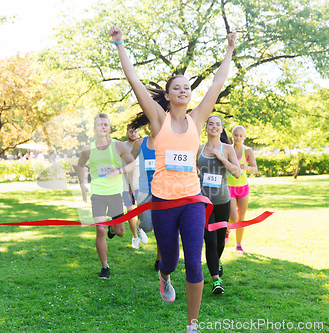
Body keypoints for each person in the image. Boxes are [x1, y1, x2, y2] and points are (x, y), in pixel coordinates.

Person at [109, 25, 236, 333]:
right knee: (170, 260)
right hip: (163, 202)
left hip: (192, 200)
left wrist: (230, 49)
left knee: (193, 262)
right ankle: (164, 276)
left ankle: (192, 325)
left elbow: (218, 83)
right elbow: (134, 80)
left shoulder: (196, 120)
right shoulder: (158, 119)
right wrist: (120, 44)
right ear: (167, 96)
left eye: (186, 87)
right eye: (176, 87)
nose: (183, 90)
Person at [76, 113, 137, 279]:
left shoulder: (118, 146)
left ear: (109, 128)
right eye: (99, 124)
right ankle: (105, 266)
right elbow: (80, 166)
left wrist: (119, 171)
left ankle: (113, 226)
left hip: (115, 194)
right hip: (98, 194)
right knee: (100, 230)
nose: (102, 127)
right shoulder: (88, 149)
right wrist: (83, 185)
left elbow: (132, 164)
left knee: (120, 232)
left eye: (105, 124)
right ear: (94, 128)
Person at [197, 116, 241, 294]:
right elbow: (193, 170)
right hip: (204, 203)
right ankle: (216, 280)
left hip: (222, 202)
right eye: (210, 124)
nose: (214, 127)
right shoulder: (199, 149)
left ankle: (216, 260)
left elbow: (237, 172)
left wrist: (222, 158)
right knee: (210, 240)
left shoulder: (228, 149)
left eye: (218, 124)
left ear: (222, 129)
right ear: (206, 128)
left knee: (220, 242)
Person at [130, 120, 161, 270]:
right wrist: (129, 186)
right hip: (143, 191)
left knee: (162, 228)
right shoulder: (139, 144)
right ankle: (140, 226)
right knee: (148, 226)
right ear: (148, 125)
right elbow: (128, 163)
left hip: (162, 191)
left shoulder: (167, 143)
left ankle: (159, 260)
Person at [227, 125, 258, 253]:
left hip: (243, 187)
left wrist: (246, 167)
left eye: (240, 136)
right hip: (229, 187)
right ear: (232, 135)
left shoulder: (248, 151)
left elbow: (255, 169)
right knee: (233, 217)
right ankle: (228, 229)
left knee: (241, 216)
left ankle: (238, 245)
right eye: (236, 135)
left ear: (244, 137)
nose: (238, 138)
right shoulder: (227, 150)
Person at [121, 124, 143, 249]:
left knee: (141, 210)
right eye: (130, 131)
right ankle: (134, 236)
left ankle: (140, 229)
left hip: (140, 182)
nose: (133, 134)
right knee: (130, 210)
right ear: (127, 132)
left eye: (135, 131)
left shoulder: (141, 145)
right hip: (125, 184)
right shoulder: (122, 146)